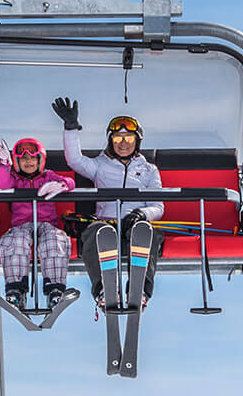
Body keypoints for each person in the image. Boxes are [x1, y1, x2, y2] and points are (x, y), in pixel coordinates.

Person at [52, 99, 164, 305]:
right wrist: (71, 128)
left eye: (129, 138)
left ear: (137, 141)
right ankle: (103, 290)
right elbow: (75, 160)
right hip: (106, 224)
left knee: (148, 233)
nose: (123, 143)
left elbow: (158, 206)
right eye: (117, 138)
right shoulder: (99, 165)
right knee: (94, 232)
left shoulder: (149, 170)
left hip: (135, 225)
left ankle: (140, 290)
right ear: (110, 141)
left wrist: (141, 214)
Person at [0, 135, 74, 305]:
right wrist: (4, 164)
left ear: (40, 160)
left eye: (32, 158)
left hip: (47, 225)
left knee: (54, 241)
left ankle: (55, 289)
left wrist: (61, 185)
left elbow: (70, 183)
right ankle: (16, 289)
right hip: (22, 225)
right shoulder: (15, 179)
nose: (28, 162)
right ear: (17, 162)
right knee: (15, 241)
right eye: (23, 159)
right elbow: (3, 185)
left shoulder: (47, 176)